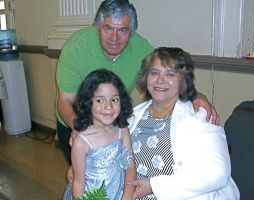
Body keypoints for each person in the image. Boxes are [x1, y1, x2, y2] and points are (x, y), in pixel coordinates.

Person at [56, 0, 218, 165]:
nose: (114, 38)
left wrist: (196, 96)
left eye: (123, 30)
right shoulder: (75, 48)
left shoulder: (141, 48)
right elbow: (66, 101)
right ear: (98, 27)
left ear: (131, 31)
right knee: (85, 179)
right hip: (76, 120)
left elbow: (169, 77)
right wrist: (81, 129)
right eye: (108, 28)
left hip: (112, 121)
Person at [127, 47, 240, 200]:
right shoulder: (132, 116)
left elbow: (218, 173)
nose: (160, 80)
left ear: (183, 80)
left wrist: (153, 186)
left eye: (170, 74)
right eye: (154, 73)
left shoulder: (199, 117)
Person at [63, 69, 136, 200]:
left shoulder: (122, 130)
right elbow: (78, 182)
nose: (108, 106)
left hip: (121, 195)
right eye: (100, 100)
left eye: (114, 99)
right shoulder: (82, 142)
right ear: (87, 102)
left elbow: (130, 167)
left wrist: (127, 196)